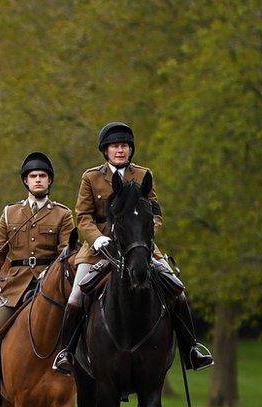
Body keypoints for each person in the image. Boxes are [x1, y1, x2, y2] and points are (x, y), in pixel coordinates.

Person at [52, 122, 212, 375]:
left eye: (124, 146)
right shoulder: (91, 177)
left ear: (130, 149)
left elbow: (156, 213)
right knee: (75, 298)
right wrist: (97, 238)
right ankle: (67, 353)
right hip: (99, 247)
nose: (120, 150)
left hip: (139, 246)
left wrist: (145, 234)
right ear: (105, 151)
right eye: (115, 146)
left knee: (178, 291)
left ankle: (190, 349)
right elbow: (83, 216)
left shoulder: (143, 175)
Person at [0, 152, 75, 407]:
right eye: (33, 177)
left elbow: (67, 252)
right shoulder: (10, 212)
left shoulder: (63, 214)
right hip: (15, 286)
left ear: (49, 182)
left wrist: (50, 274)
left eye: (42, 177)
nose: (38, 180)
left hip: (52, 283)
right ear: (26, 182)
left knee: (82, 323)